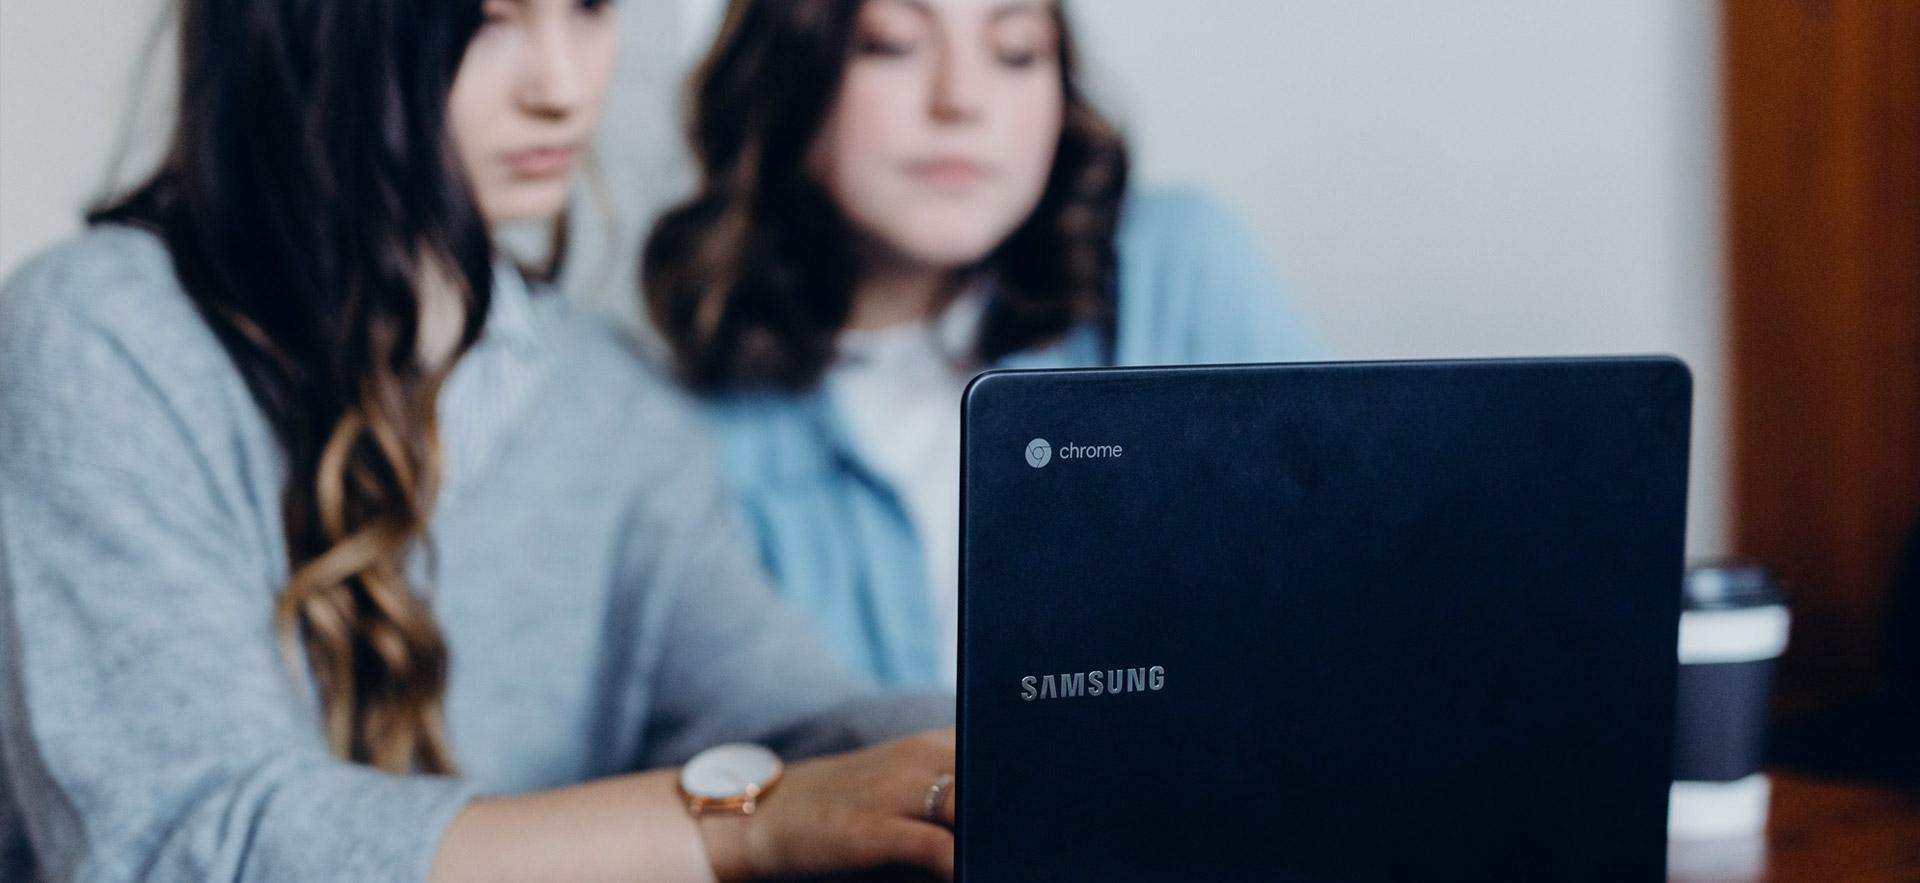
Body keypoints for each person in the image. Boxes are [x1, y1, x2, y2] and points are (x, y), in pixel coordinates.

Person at [0, 0, 958, 880]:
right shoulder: (101, 335)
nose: (562, 87)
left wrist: (1023, 739)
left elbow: (798, 718)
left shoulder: (612, 399)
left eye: (586, 8)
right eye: (489, 21)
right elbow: (192, 840)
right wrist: (743, 823)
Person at [643, 0, 1319, 690]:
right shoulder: (677, 426)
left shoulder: (1176, 270)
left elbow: (1332, 613)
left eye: (1016, 51)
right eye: (892, 44)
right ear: (780, 69)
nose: (961, 100)